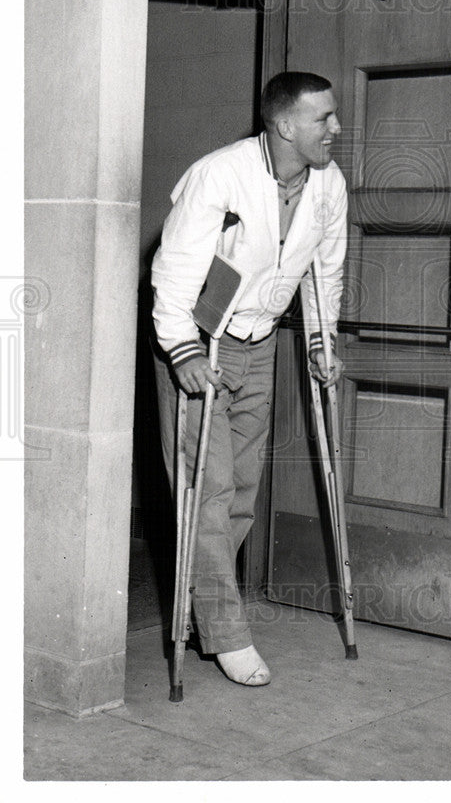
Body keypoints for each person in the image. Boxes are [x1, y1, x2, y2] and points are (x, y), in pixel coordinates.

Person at [152, 71, 348, 687]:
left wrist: (322, 339)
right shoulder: (220, 174)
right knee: (204, 494)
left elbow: (326, 269)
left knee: (241, 491)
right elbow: (174, 271)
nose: (336, 128)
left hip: (259, 343)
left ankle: (201, 603)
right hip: (197, 340)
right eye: (324, 119)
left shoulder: (329, 183)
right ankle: (228, 631)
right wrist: (182, 352)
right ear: (286, 125)